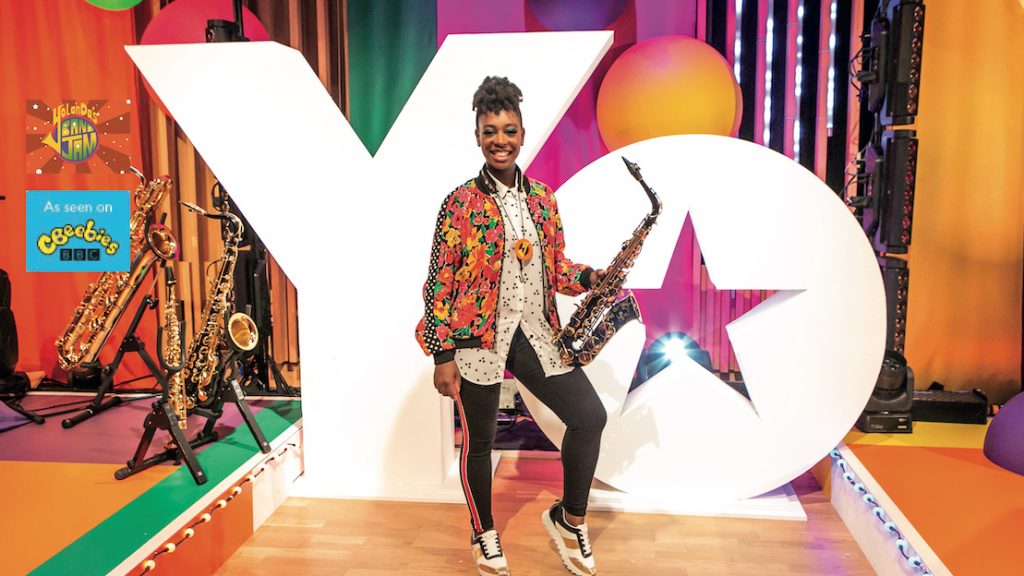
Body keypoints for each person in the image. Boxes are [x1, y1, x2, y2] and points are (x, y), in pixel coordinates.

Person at [416, 76, 607, 576]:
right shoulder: (460, 202)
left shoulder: (543, 198)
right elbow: (438, 280)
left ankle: (569, 518)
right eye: (490, 131)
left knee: (589, 417)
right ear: (477, 136)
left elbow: (556, 267)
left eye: (509, 130)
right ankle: (484, 534)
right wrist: (441, 354)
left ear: (522, 134)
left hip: (536, 333)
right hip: (476, 340)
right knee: (479, 443)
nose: (500, 140)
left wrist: (590, 277)